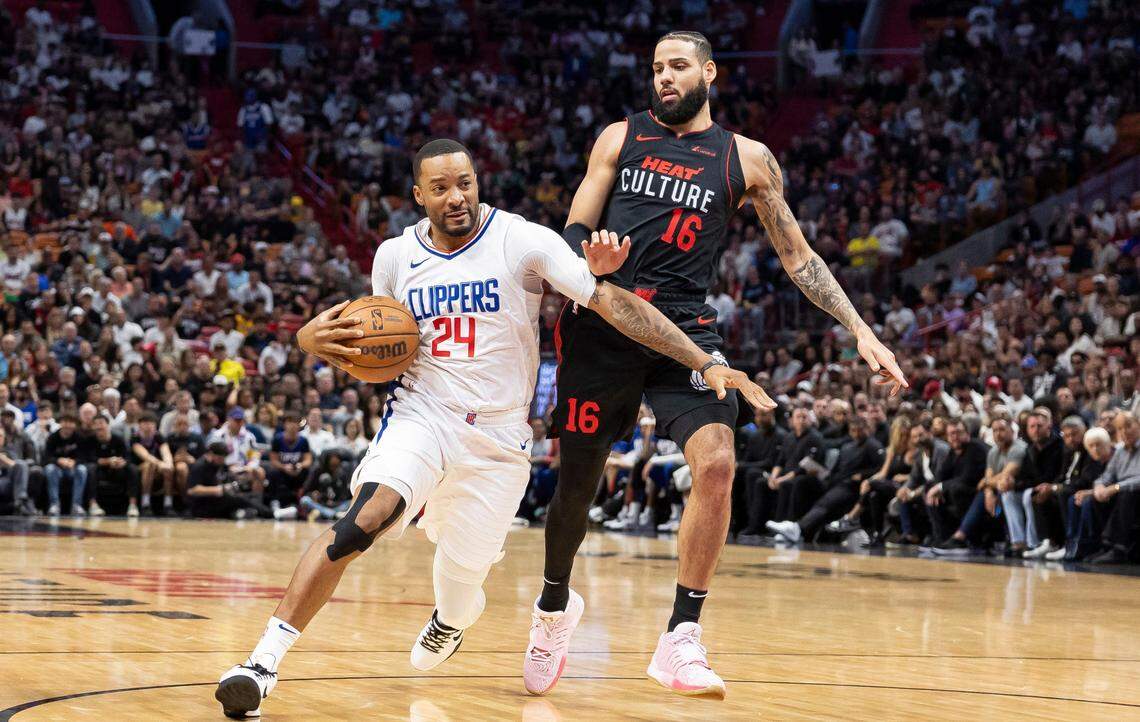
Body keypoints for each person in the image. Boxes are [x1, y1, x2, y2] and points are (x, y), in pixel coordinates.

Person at [215, 139, 770, 718]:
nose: (456, 197)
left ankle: (450, 619)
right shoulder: (393, 257)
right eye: (440, 188)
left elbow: (614, 303)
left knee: (461, 584)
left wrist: (703, 360)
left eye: (466, 183)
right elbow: (379, 346)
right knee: (361, 523)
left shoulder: (521, 239)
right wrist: (309, 340)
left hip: (500, 441)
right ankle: (260, 665)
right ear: (418, 195)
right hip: (422, 416)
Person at [531, 31, 907, 699]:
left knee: (717, 462)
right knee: (576, 491)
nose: (664, 79)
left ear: (710, 74)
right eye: (656, 69)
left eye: (677, 67)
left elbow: (798, 257)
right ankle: (554, 605)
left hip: (687, 328)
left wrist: (858, 328)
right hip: (606, 319)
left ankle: (681, 637)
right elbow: (571, 232)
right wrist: (591, 261)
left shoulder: (747, 159)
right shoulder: (620, 138)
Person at [765, 416, 885, 543]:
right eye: (853, 430)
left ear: (866, 429)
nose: (856, 434)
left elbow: (881, 469)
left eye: (859, 430)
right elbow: (835, 470)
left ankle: (798, 528)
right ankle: (795, 529)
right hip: (835, 483)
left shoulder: (872, 445)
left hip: (852, 487)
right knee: (804, 485)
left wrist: (862, 475)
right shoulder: (847, 447)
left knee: (824, 504)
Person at [89, 415, 140, 516]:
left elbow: (127, 457)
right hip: (99, 471)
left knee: (132, 469)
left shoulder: (118, 439)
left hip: (117, 470)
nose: (99, 426)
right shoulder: (90, 440)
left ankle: (133, 505)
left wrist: (121, 462)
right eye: (96, 424)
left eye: (101, 423)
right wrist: (107, 461)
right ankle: (93, 505)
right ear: (93, 427)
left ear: (108, 425)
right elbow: (88, 458)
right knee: (91, 468)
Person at [43, 413, 91, 516]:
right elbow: (46, 458)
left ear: (74, 425)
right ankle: (54, 504)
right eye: (65, 422)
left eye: (70, 422)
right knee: (50, 469)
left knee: (82, 469)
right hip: (57, 469)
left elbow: (84, 457)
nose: (68, 425)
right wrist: (59, 461)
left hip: (73, 469)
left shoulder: (79, 437)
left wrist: (74, 462)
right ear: (60, 423)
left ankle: (76, 505)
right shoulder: (53, 437)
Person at [267, 413, 313, 514]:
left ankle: (305, 502)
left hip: (298, 472)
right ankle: (275, 502)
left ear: (298, 425)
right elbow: (273, 460)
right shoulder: (278, 439)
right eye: (289, 422)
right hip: (283, 472)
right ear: (285, 424)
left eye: (295, 422)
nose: (292, 425)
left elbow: (308, 460)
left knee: (309, 471)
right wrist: (284, 467)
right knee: (273, 472)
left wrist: (300, 466)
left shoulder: (303, 440)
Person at [131, 412, 175, 516]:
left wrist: (169, 464)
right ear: (140, 425)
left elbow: (166, 452)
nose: (148, 426)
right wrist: (161, 464)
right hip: (137, 468)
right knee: (150, 465)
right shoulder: (135, 437)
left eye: (151, 423)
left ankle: (168, 504)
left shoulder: (158, 436)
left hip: (157, 467)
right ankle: (145, 504)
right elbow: (145, 455)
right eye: (145, 423)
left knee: (168, 469)